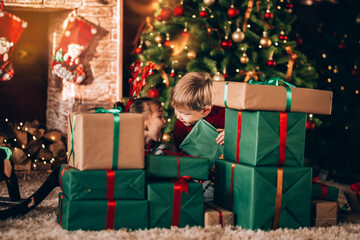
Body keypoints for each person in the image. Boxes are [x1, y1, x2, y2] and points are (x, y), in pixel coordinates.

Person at [171, 72, 225, 151]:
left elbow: (243, 132)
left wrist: (230, 135)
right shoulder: (180, 127)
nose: (178, 116)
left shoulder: (222, 114)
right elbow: (182, 157)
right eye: (176, 109)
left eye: (184, 113)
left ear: (205, 111)